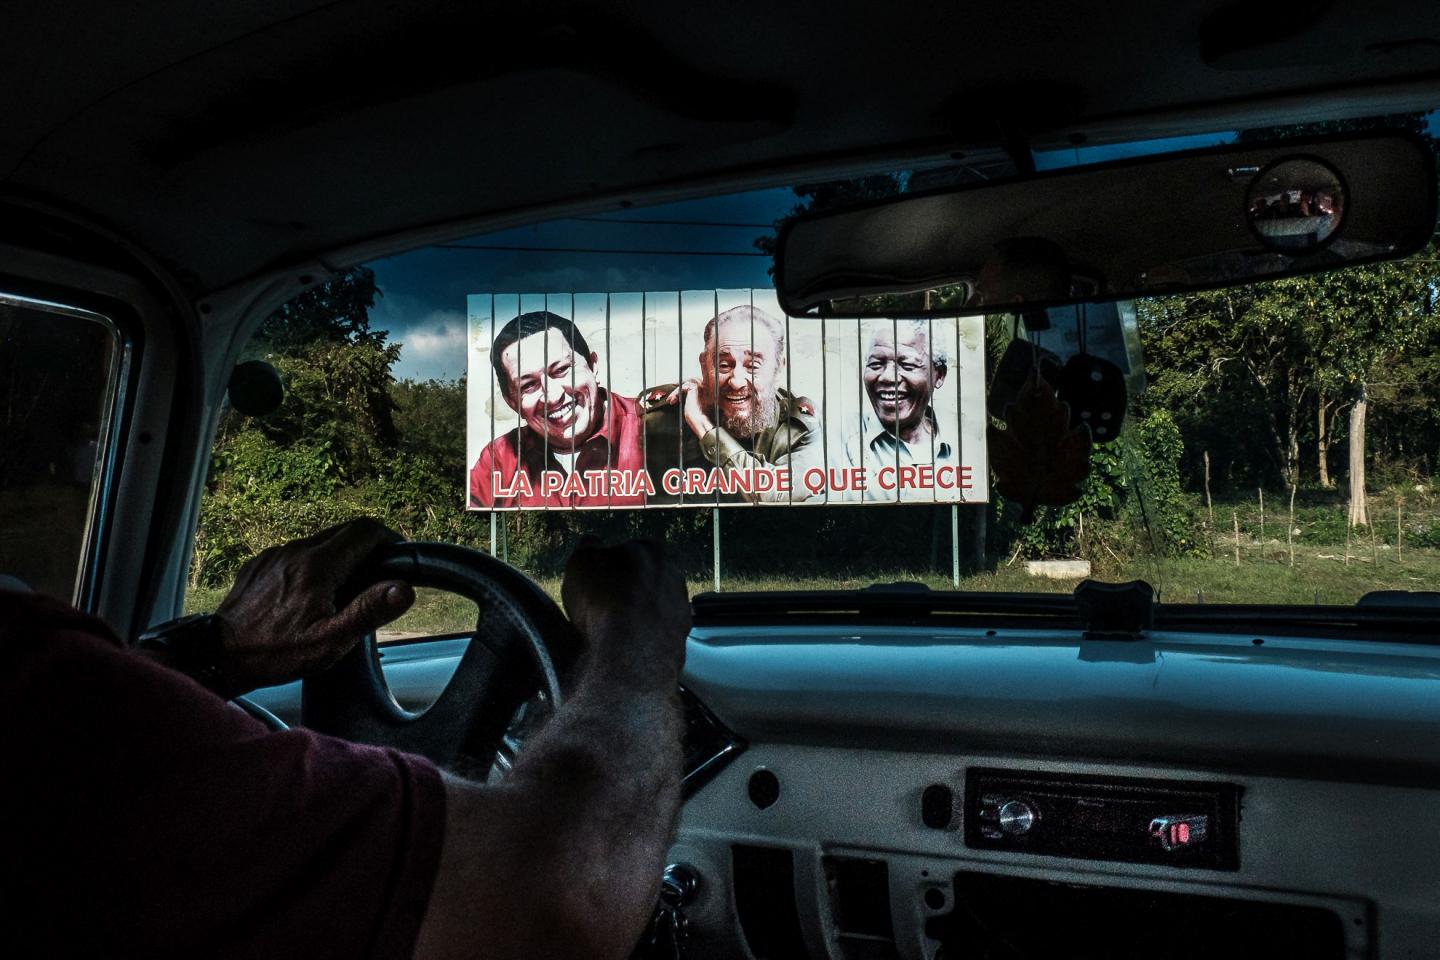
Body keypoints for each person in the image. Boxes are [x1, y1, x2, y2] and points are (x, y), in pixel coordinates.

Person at [2, 518, 690, 959]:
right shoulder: (32, 673)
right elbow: (558, 898)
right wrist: (639, 640)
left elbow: (103, 746)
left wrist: (215, 650)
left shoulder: (48, 691)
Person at [640, 305, 819, 504]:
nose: (736, 381)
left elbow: (774, 495)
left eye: (753, 366)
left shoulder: (799, 429)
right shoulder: (662, 416)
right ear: (704, 366)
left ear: (778, 369)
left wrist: (703, 426)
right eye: (724, 365)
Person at [469, 311, 646, 508]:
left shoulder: (654, 428)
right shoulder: (499, 460)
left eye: (561, 370)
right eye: (528, 385)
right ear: (512, 402)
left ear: (593, 365)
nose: (552, 397)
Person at [840, 319, 955, 501]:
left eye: (908, 366)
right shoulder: (836, 437)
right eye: (876, 364)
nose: (887, 377)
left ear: (939, 375)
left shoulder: (963, 451)